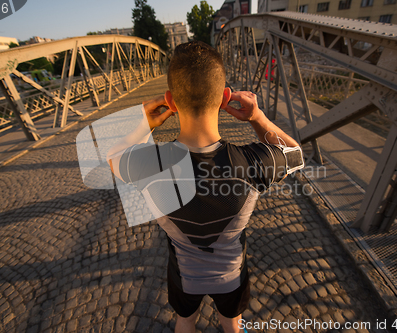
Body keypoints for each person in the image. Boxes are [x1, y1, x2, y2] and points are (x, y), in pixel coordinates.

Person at [107, 41, 299, 333]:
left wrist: (144, 121)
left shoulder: (151, 164)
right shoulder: (253, 161)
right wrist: (257, 117)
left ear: (171, 102)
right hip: (232, 275)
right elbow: (295, 154)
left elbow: (113, 158)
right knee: (232, 324)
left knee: (185, 321)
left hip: (184, 277)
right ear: (224, 97)